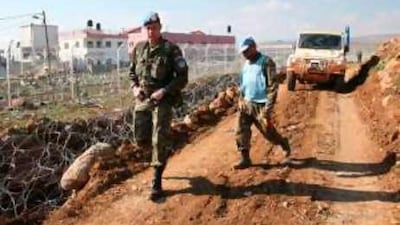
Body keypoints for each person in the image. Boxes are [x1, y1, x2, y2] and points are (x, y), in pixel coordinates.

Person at [129, 12, 188, 201]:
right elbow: (131, 73)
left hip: (162, 100)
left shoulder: (171, 49)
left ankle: (156, 181)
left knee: (158, 139)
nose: (150, 31)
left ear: (160, 28)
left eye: (153, 27)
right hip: (143, 99)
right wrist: (134, 88)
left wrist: (164, 91)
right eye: (147, 28)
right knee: (141, 139)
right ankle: (160, 154)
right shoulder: (138, 49)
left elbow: (182, 77)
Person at [234, 36, 290, 169]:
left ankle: (282, 142)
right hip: (246, 104)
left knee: (268, 132)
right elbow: (243, 84)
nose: (245, 54)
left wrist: (267, 109)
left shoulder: (266, 62)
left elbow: (272, 87)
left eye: (247, 51)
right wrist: (240, 100)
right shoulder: (246, 65)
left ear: (254, 47)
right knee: (241, 130)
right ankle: (245, 158)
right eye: (243, 52)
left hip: (261, 104)